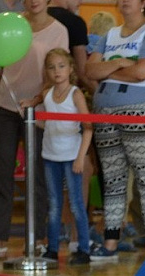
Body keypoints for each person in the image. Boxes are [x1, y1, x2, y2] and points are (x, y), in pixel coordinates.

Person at [0, 0, 68, 260]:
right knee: (2, 174)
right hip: (6, 107)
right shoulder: (11, 21)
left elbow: (57, 74)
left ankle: (38, 238)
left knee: (37, 177)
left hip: (37, 110)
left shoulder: (59, 30)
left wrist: (37, 100)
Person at [84, 0, 145, 259]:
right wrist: (121, 65)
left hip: (141, 109)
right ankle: (111, 241)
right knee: (113, 180)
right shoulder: (109, 35)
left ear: (143, 3)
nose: (124, 2)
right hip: (105, 112)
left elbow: (143, 71)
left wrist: (110, 69)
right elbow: (89, 69)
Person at [40, 48, 91, 264]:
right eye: (52, 67)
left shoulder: (75, 94)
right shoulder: (47, 94)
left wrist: (81, 157)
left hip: (71, 155)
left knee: (76, 203)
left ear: (70, 69)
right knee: (54, 203)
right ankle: (52, 248)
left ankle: (84, 248)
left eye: (61, 66)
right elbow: (48, 123)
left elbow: (88, 127)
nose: (57, 71)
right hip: (51, 155)